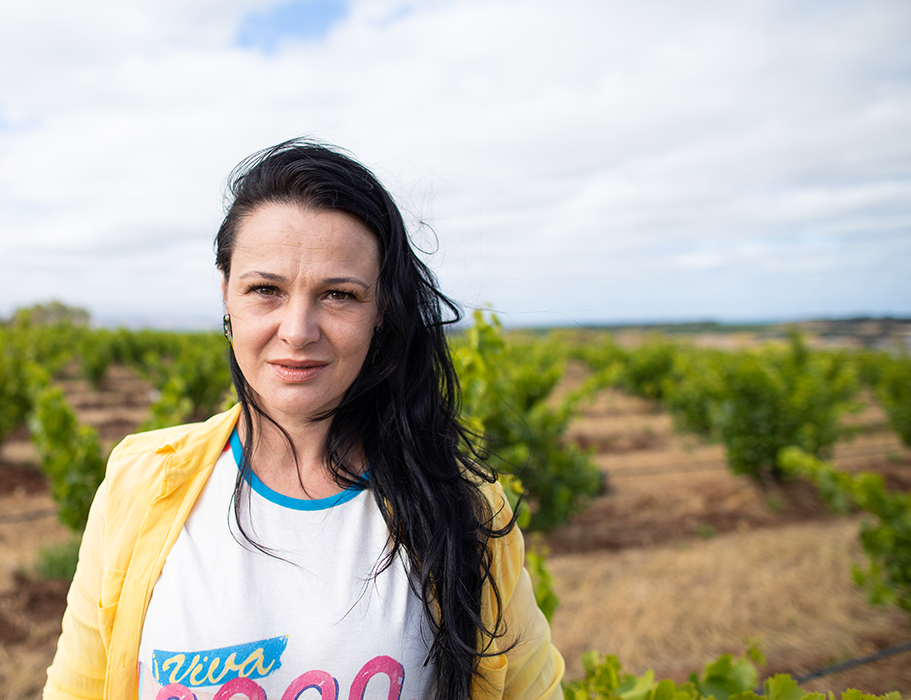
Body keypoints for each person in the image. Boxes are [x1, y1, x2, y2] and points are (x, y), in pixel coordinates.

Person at [44, 140, 564, 700]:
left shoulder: (462, 506)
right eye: (265, 289)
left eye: (338, 295)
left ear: (380, 312)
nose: (297, 330)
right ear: (226, 298)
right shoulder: (138, 484)